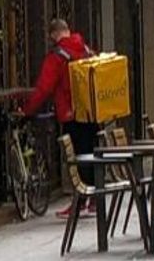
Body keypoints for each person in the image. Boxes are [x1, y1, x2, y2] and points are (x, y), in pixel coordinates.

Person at [21, 19, 95, 219]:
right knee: (91, 152)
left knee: (75, 158)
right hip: (91, 112)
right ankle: (94, 200)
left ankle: (79, 202)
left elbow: (44, 88)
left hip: (71, 114)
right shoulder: (85, 49)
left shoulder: (57, 56)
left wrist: (26, 110)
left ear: (54, 34)